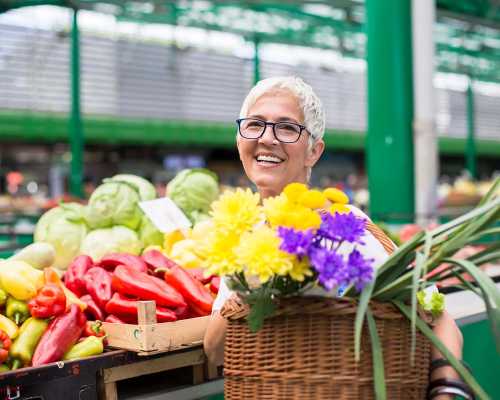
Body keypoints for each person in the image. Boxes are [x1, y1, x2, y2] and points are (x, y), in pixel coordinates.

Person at [203, 76, 465, 399]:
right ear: (239, 138)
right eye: (255, 124)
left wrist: (446, 390)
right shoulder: (246, 239)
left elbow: (439, 319)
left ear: (314, 150)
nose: (267, 139)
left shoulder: (348, 229)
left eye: (286, 128)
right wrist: (251, 284)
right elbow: (215, 352)